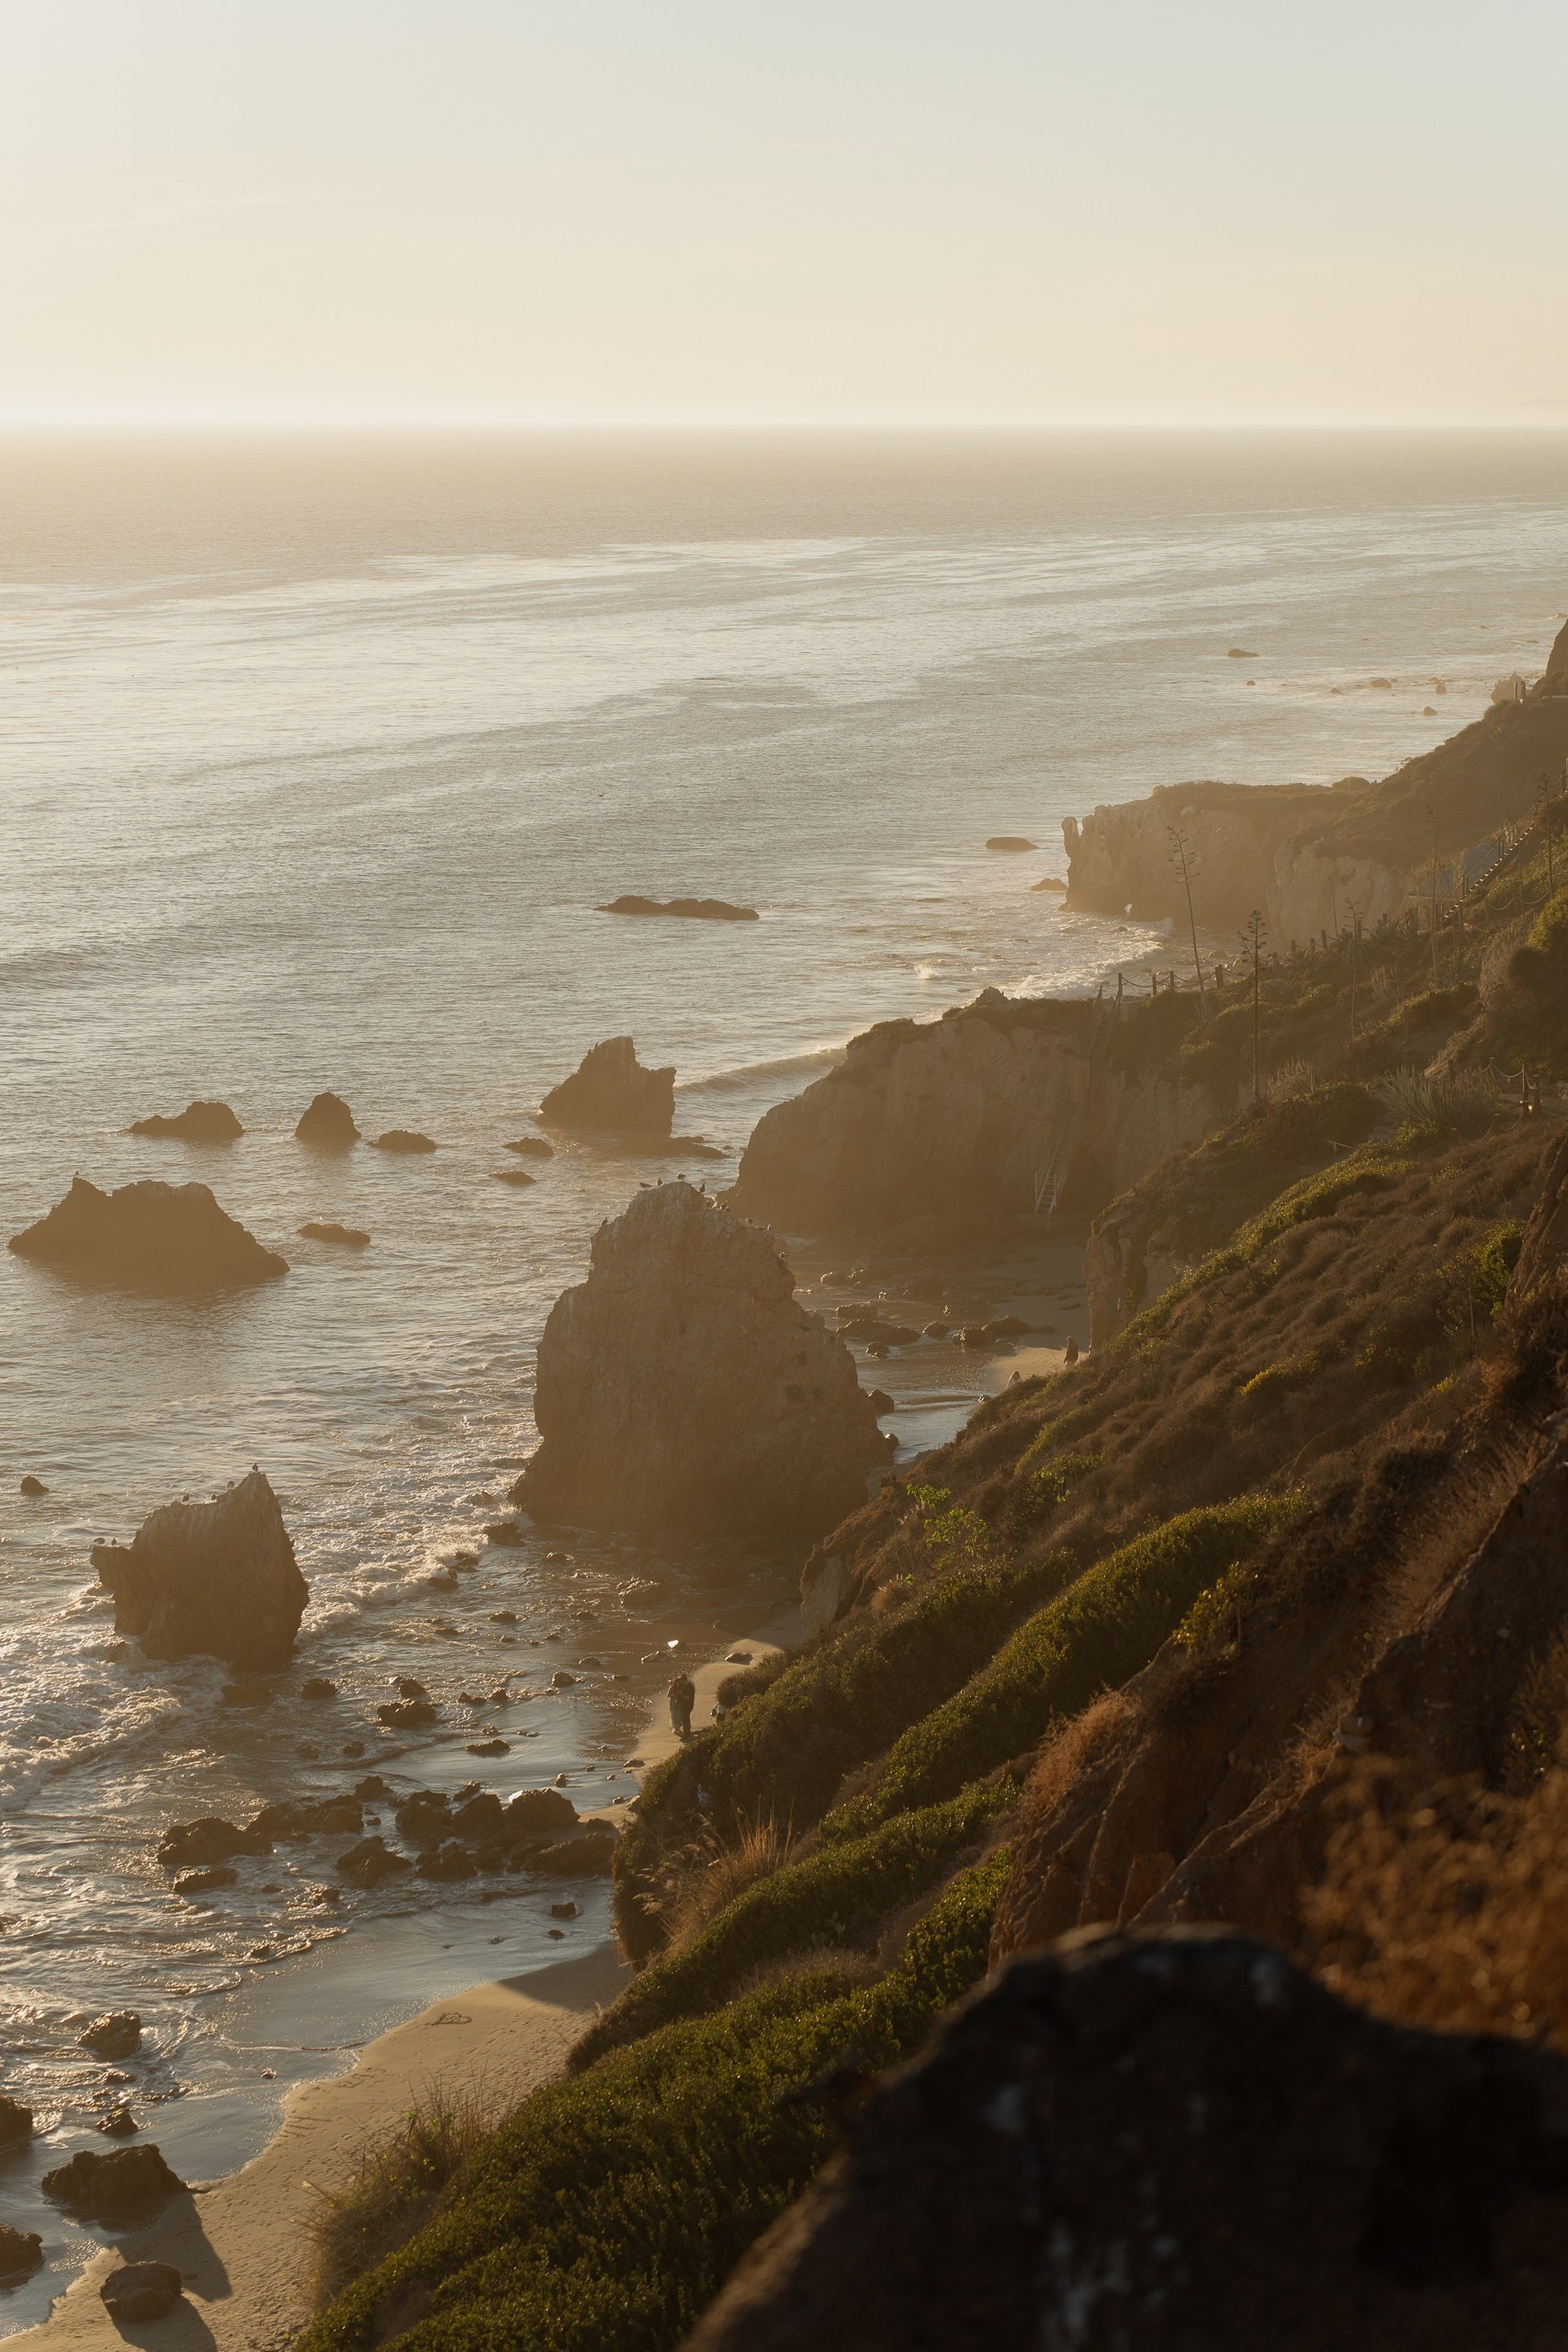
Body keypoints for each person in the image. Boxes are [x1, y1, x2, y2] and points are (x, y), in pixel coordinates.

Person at [668, 1670, 696, 1740]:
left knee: (685, 1720)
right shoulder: (686, 1686)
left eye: (681, 1680)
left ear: (684, 1680)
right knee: (685, 1719)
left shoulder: (689, 1687)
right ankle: (687, 1733)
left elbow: (687, 1697)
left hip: (687, 1706)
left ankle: (686, 1735)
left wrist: (681, 1694)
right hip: (685, 1705)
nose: (681, 1682)